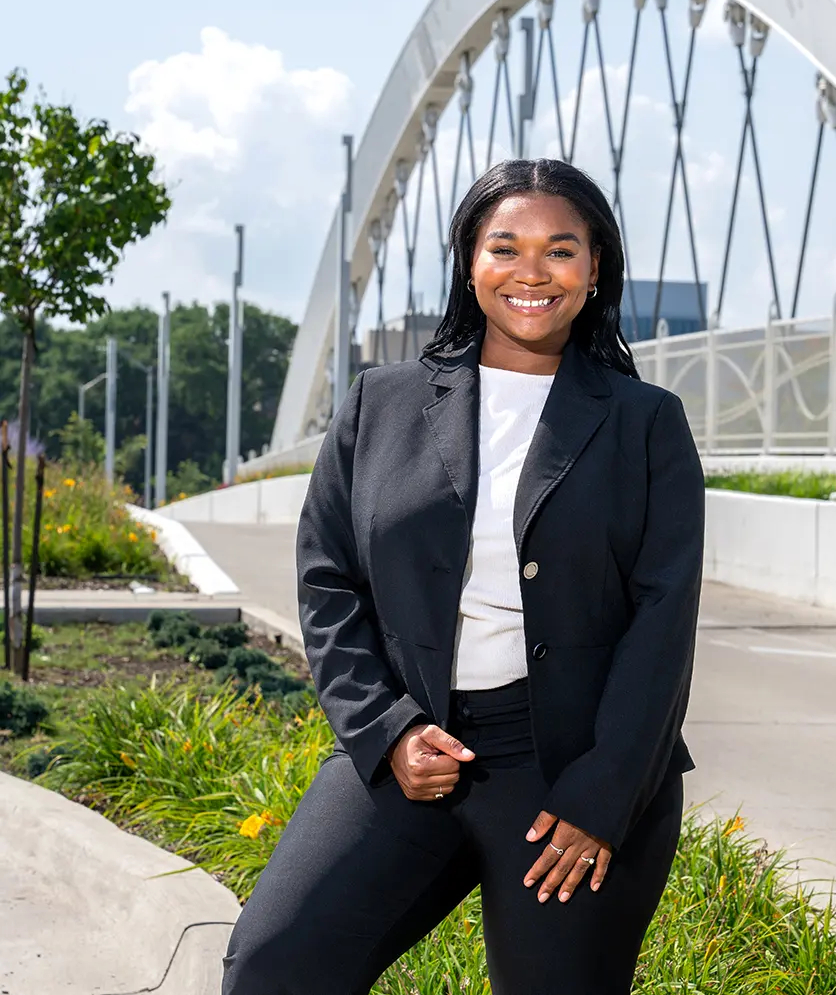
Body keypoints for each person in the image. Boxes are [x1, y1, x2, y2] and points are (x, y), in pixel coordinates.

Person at [222, 158, 705, 995]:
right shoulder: (381, 402)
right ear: (468, 262)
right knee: (274, 965)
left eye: (560, 250)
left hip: (569, 772)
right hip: (413, 748)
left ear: (595, 270)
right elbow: (329, 581)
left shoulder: (644, 423)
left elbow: (663, 620)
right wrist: (386, 730)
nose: (530, 272)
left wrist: (605, 792)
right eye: (504, 246)